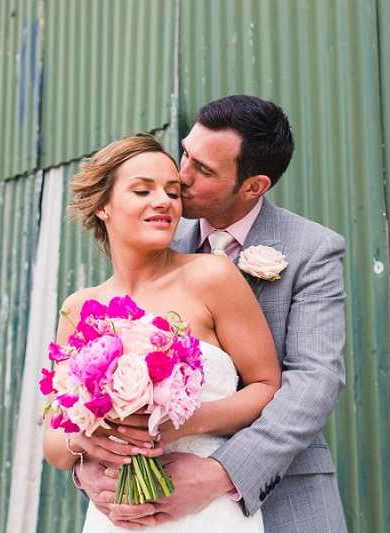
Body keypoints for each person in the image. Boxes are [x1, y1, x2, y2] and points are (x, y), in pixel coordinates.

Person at [77, 95, 348, 532]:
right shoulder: (155, 230)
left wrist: (222, 472)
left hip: (281, 493)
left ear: (253, 187)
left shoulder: (311, 249)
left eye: (203, 170)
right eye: (186, 153)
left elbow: (315, 381)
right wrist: (86, 463)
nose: (180, 178)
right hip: (150, 495)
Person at [42, 133, 281, 532]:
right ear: (103, 206)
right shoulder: (79, 306)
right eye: (142, 190)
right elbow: (54, 440)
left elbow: (266, 386)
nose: (164, 201)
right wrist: (84, 444)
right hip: (116, 516)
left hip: (207, 510)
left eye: (173, 192)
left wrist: (186, 422)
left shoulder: (212, 276)